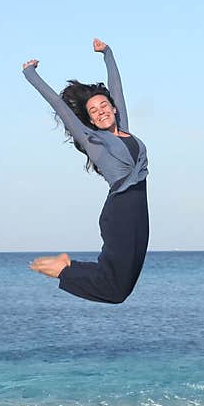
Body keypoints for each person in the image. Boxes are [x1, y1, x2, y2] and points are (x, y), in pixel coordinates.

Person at [22, 38, 149, 304]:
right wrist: (31, 74)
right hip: (121, 213)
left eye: (104, 106)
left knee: (123, 288)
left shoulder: (124, 129)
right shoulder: (95, 141)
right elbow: (60, 107)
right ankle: (66, 268)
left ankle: (70, 268)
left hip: (140, 214)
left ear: (113, 108)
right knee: (114, 290)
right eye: (94, 111)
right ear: (90, 120)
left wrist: (108, 53)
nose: (101, 111)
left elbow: (117, 87)